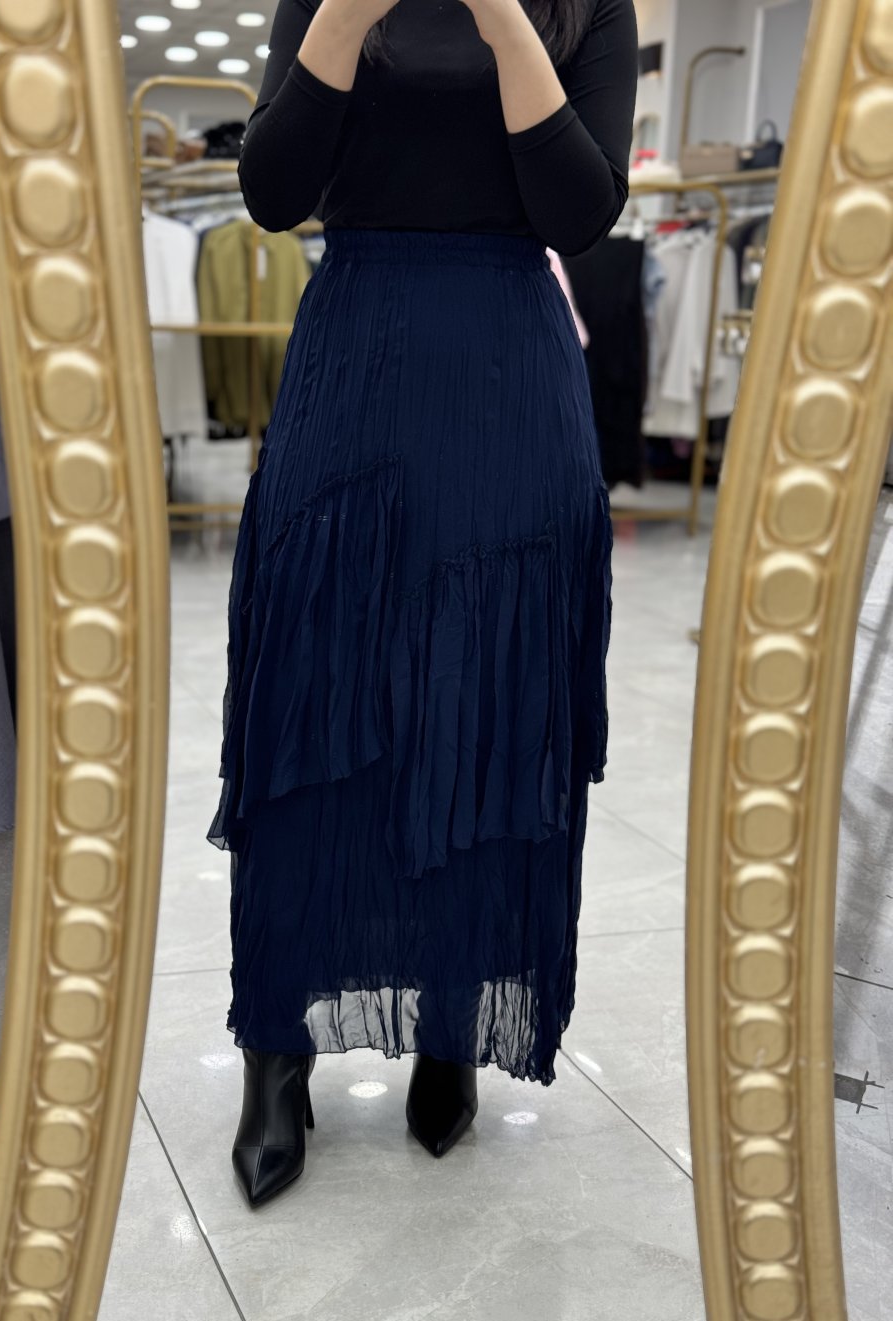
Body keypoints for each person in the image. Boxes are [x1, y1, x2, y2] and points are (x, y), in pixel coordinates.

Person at [207, 0, 638, 1207]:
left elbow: (579, 213)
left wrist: (503, 19)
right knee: (308, 698)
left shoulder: (587, 5)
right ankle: (276, 1048)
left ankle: (454, 1018)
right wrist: (345, 14)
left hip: (511, 370)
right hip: (357, 354)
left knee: (484, 708)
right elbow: (272, 192)